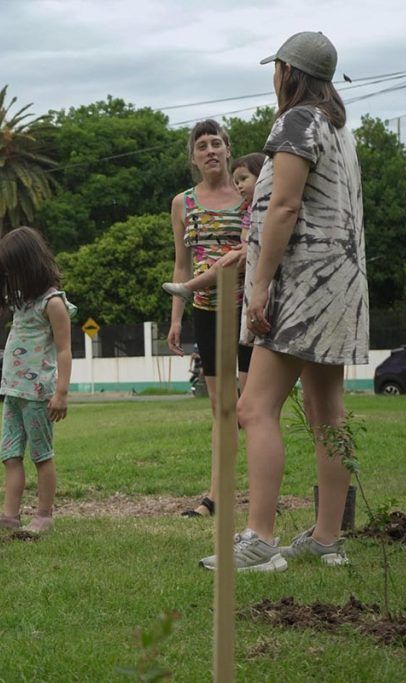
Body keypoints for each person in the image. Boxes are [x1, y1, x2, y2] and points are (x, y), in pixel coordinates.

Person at [200, 32, 368, 572]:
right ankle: (325, 539)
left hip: (303, 284)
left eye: (275, 68)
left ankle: (261, 539)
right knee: (327, 413)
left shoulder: (296, 121)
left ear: (287, 72)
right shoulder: (337, 126)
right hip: (341, 281)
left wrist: (259, 283)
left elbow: (283, 207)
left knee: (254, 407)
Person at [165, 120, 254, 518]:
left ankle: (258, 493)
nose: (210, 150)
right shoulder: (183, 203)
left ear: (229, 149)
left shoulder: (249, 193)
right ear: (194, 157)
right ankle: (217, 497)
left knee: (250, 406)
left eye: (216, 142)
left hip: (251, 313)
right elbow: (181, 265)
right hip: (206, 312)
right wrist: (176, 320)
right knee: (222, 408)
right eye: (202, 146)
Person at [0, 227, 75, 534]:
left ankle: (44, 515)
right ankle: (9, 515)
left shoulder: (53, 303)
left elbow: (64, 349)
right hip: (13, 393)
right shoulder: (21, 302)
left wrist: (61, 392)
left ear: (29, 266)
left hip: (37, 394)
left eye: (13, 273)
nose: (10, 281)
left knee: (41, 455)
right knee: (10, 455)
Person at [162, 153, 266, 302]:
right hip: (206, 301)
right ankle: (188, 288)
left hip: (246, 287)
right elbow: (181, 265)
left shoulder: (268, 206)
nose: (240, 186)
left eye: (244, 179)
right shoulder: (249, 206)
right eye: (236, 182)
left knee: (225, 263)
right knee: (223, 264)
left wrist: (249, 247)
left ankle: (189, 287)